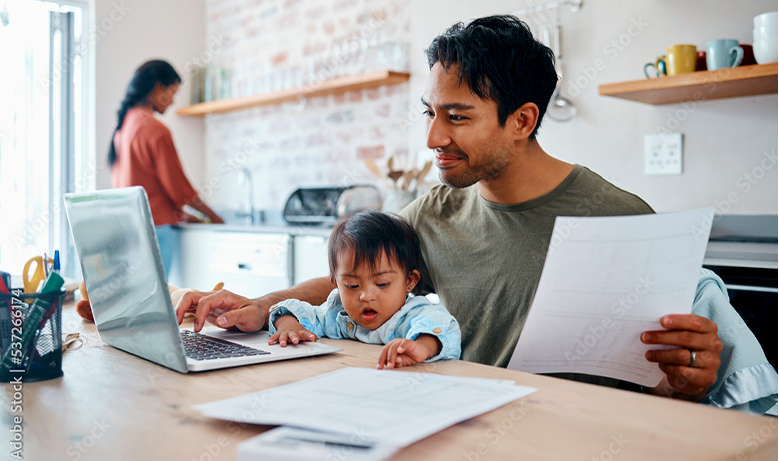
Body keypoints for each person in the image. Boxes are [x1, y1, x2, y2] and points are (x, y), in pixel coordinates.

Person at [175, 16, 776, 413]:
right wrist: (260, 305)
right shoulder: (434, 211)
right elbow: (353, 277)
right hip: (454, 428)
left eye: (457, 116)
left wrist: (690, 379)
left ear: (522, 120)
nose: (434, 135)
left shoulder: (620, 219)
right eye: (429, 112)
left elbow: (675, 385)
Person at [267, 210, 460, 368]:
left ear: (409, 280)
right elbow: (295, 311)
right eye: (352, 286)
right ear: (336, 283)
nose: (366, 296)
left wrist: (421, 347)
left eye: (382, 283)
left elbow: (443, 327)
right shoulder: (338, 314)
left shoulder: (413, 314)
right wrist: (288, 326)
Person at [109, 60, 224, 276]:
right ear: (157, 88)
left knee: (142, 301)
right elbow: (180, 191)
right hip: (156, 231)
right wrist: (216, 219)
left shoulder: (124, 127)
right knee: (161, 300)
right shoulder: (154, 129)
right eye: (172, 92)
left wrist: (188, 216)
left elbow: (146, 188)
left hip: (129, 228)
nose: (172, 101)